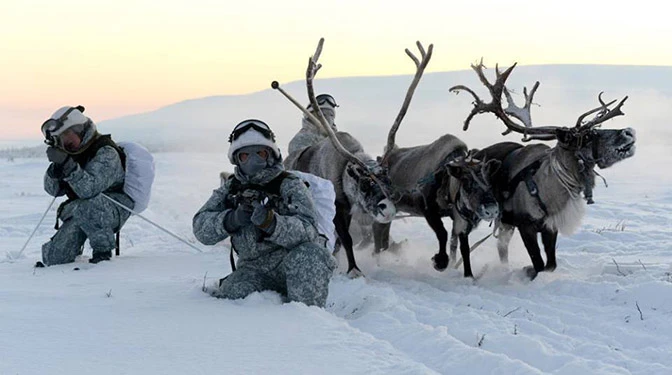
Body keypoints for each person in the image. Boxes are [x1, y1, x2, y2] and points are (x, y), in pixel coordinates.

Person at [193, 119, 336, 307]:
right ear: (236, 159)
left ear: (270, 155)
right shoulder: (231, 189)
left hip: (293, 262)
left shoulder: (290, 184)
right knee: (230, 301)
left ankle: (306, 322)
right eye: (245, 155)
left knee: (311, 255)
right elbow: (201, 227)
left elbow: (308, 230)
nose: (253, 160)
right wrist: (231, 219)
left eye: (259, 153)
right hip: (253, 268)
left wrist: (272, 223)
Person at [38, 106, 133, 266]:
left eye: (68, 135)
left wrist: (68, 167)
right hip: (81, 209)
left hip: (113, 207)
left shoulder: (106, 152)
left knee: (89, 206)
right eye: (61, 139)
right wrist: (56, 169)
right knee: (54, 259)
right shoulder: (70, 155)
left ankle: (103, 255)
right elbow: (52, 190)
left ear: (80, 130)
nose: (66, 142)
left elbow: (89, 190)